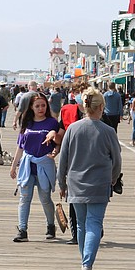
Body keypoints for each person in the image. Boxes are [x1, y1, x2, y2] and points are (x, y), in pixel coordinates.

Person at [57, 88, 122, 270]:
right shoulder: (108, 131)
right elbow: (117, 160)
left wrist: (61, 183)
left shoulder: (73, 129)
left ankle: (84, 261)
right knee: (94, 224)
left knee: (82, 225)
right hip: (100, 184)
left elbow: (63, 159)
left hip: (76, 183)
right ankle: (87, 264)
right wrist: (113, 178)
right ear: (101, 107)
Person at [9, 93, 61, 242]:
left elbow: (58, 142)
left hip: (44, 165)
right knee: (24, 198)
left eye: (43, 105)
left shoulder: (52, 122)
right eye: (37, 106)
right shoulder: (27, 124)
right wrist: (14, 166)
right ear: (31, 107)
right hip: (27, 165)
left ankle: (51, 226)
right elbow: (20, 147)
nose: (40, 109)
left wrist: (55, 151)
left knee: (45, 198)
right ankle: (22, 229)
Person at [58, 80, 87, 245]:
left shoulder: (100, 114)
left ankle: (95, 226)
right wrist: (53, 143)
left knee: (91, 199)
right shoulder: (68, 111)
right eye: (78, 94)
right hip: (73, 160)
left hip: (92, 161)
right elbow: (61, 132)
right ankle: (76, 234)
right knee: (73, 197)